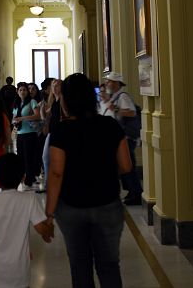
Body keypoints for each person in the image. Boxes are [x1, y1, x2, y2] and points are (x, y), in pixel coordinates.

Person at [45, 73, 131, 288]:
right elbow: (126, 165)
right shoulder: (110, 126)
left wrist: (48, 213)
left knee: (80, 264)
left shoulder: (61, 131)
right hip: (108, 203)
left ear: (67, 100)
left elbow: (56, 173)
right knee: (109, 265)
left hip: (72, 206)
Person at [0, 153, 54, 288]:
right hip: (19, 273)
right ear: (23, 177)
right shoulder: (28, 200)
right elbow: (41, 229)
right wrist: (49, 228)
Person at [101, 71, 143, 205]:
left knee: (128, 166)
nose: (107, 83)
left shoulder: (123, 97)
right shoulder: (115, 96)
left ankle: (136, 194)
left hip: (127, 137)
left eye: (109, 81)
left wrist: (116, 109)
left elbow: (131, 112)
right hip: (122, 137)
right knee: (125, 166)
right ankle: (132, 191)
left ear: (116, 83)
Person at [12, 83, 41, 190]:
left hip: (30, 133)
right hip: (20, 134)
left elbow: (37, 115)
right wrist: (15, 122)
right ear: (18, 92)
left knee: (29, 157)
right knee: (21, 157)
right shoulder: (17, 103)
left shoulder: (32, 102)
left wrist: (22, 118)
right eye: (20, 90)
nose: (22, 92)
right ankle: (25, 177)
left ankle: (29, 180)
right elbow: (14, 117)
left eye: (24, 90)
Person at [40, 78, 62, 191]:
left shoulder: (62, 101)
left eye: (57, 85)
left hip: (59, 133)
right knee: (46, 158)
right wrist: (42, 110)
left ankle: (50, 184)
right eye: (53, 85)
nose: (54, 87)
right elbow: (46, 117)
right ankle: (48, 184)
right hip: (51, 132)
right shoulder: (54, 101)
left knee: (49, 158)